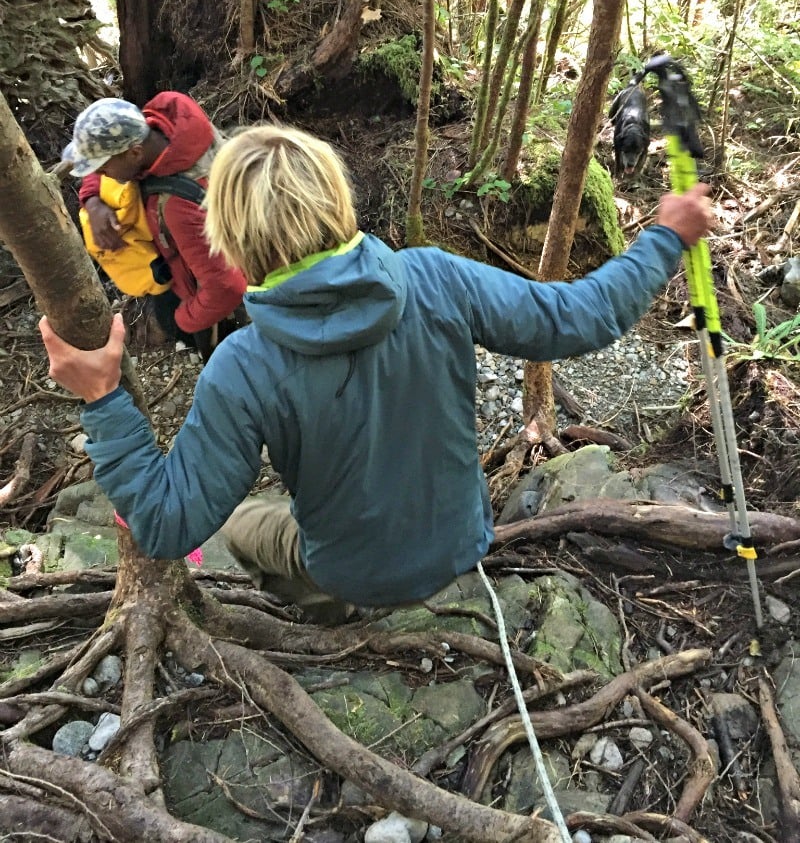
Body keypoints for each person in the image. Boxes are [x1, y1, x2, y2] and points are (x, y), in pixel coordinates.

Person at [41, 124, 716, 624]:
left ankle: (328, 620)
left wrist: (103, 397)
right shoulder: (435, 275)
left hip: (348, 569)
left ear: (234, 243)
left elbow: (164, 522)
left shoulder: (243, 366)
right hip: (462, 542)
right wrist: (666, 233)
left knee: (238, 523)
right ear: (338, 200)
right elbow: (584, 315)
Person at [64, 94, 248, 360]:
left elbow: (226, 287)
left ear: (135, 153)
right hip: (188, 265)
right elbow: (109, 160)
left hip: (218, 307)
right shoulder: (166, 128)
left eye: (104, 169)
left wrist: (186, 318)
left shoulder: (178, 206)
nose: (101, 176)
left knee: (200, 341)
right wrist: (92, 201)